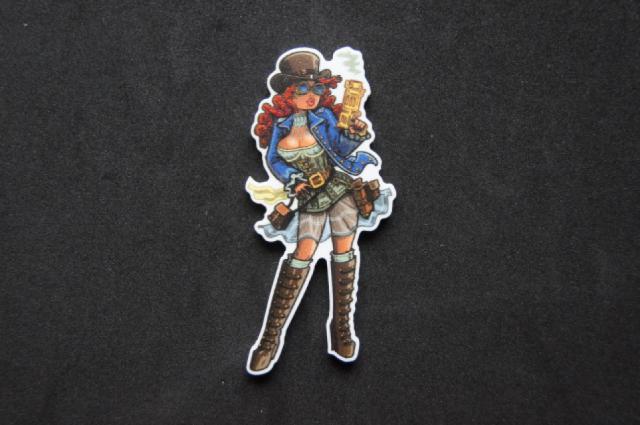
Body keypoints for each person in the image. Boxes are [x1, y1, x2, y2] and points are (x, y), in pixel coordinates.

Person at [247, 50, 389, 374]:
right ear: (288, 93)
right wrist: (293, 180)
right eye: (302, 89)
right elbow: (274, 161)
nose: (311, 96)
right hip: (309, 196)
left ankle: (342, 330)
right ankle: (270, 339)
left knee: (344, 250)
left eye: (317, 89)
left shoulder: (324, 117)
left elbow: (339, 149)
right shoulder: (280, 126)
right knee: (303, 252)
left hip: (339, 189)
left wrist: (353, 133)